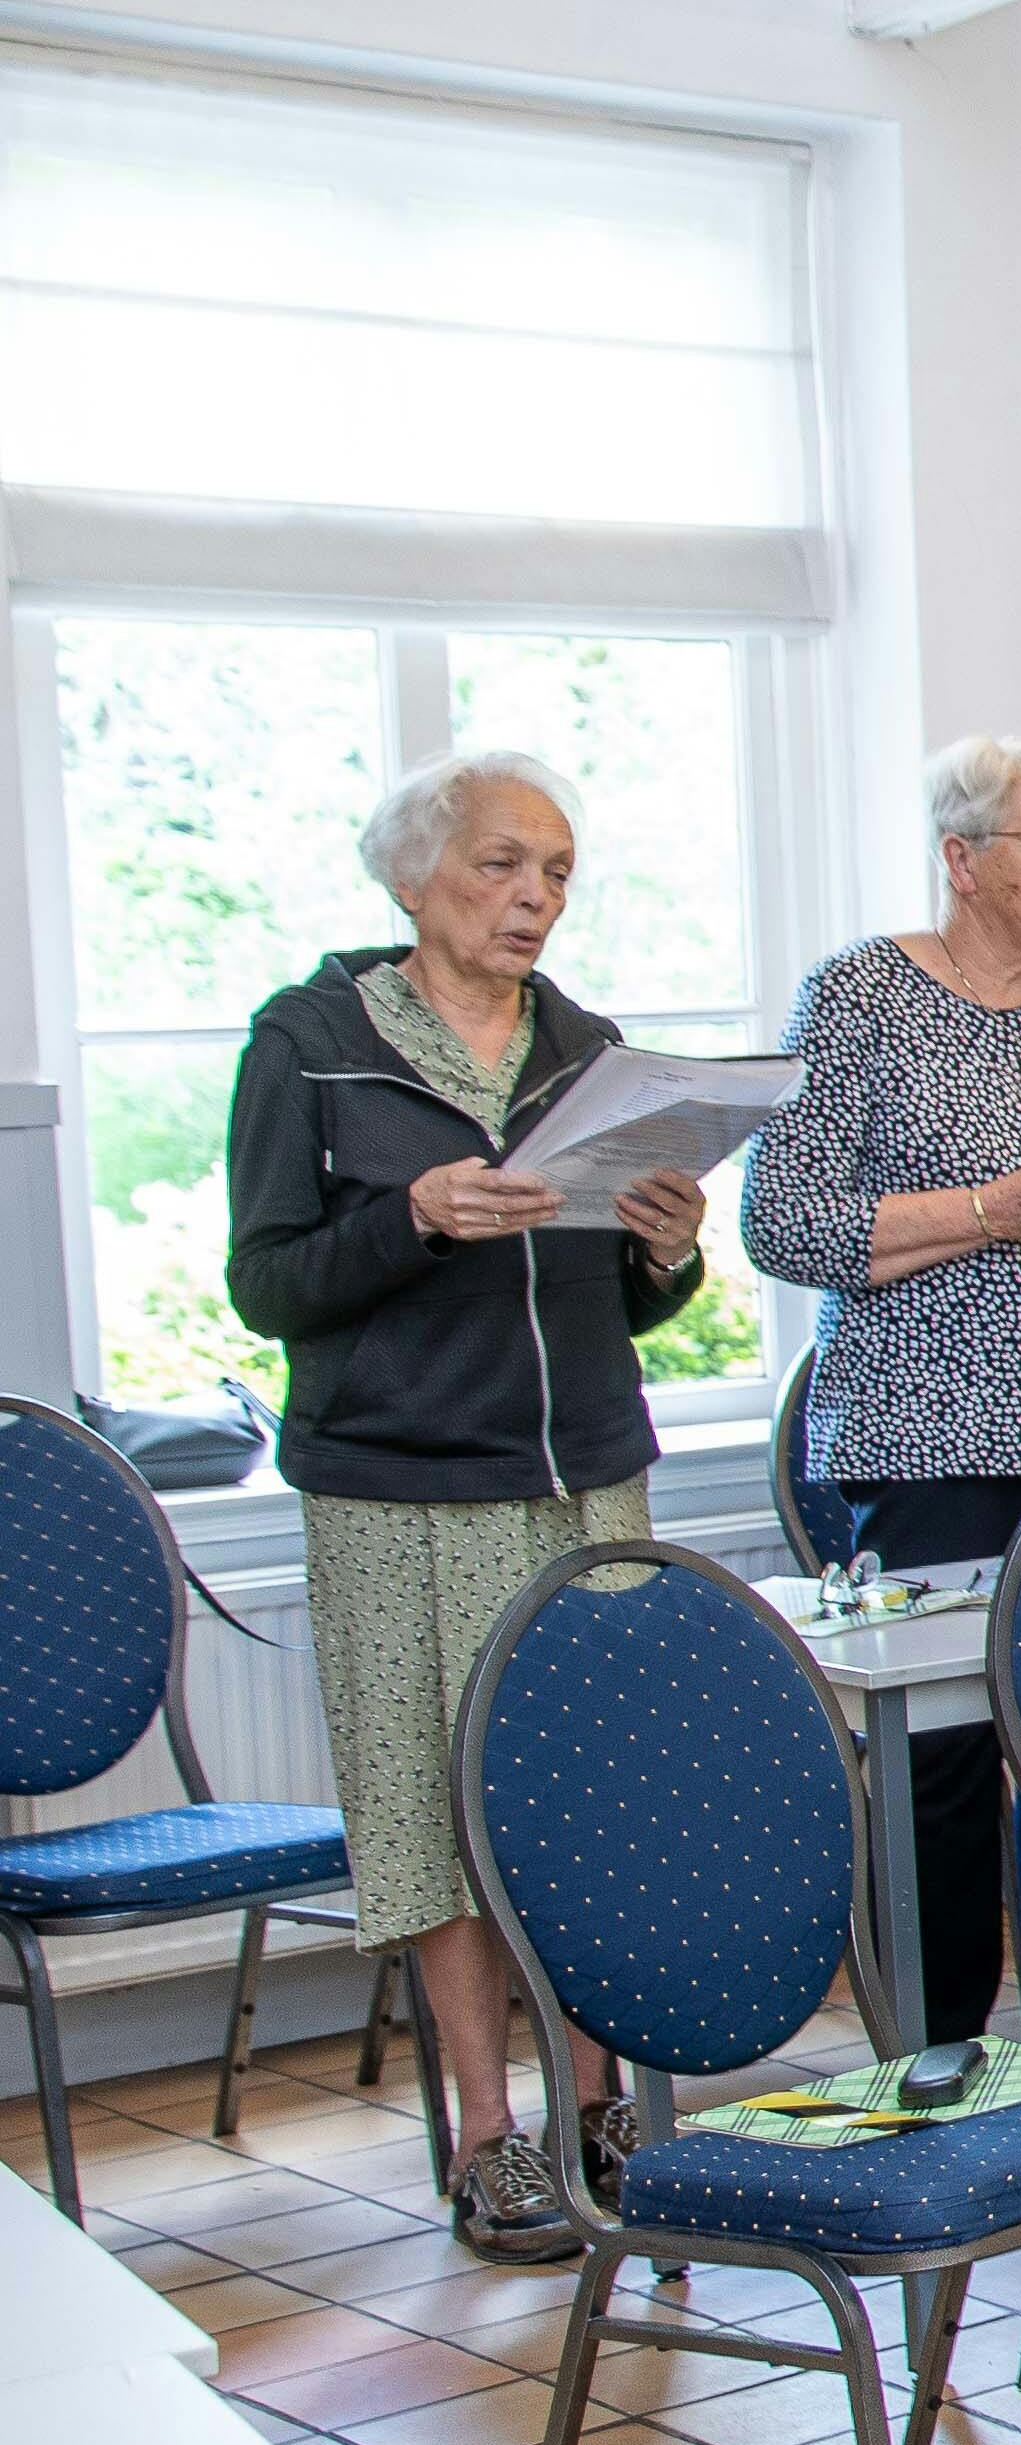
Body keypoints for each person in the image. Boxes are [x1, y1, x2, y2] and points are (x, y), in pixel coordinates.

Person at [222, 751, 710, 2264]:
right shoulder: (309, 1044)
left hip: (584, 1474)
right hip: (398, 1490)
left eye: (557, 873)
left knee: (592, 1809)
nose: (535, 899)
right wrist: (414, 1218)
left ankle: (598, 2109)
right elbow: (265, 1284)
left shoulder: (593, 1049)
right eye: (504, 866)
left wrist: (670, 1246)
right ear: (412, 876)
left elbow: (627, 1304)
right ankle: (484, 2137)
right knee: (437, 1818)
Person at [743, 738, 1021, 2055]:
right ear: (962, 859)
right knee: (942, 1762)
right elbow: (787, 1226)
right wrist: (985, 1211)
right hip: (930, 1423)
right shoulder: (858, 998)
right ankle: (938, 2052)